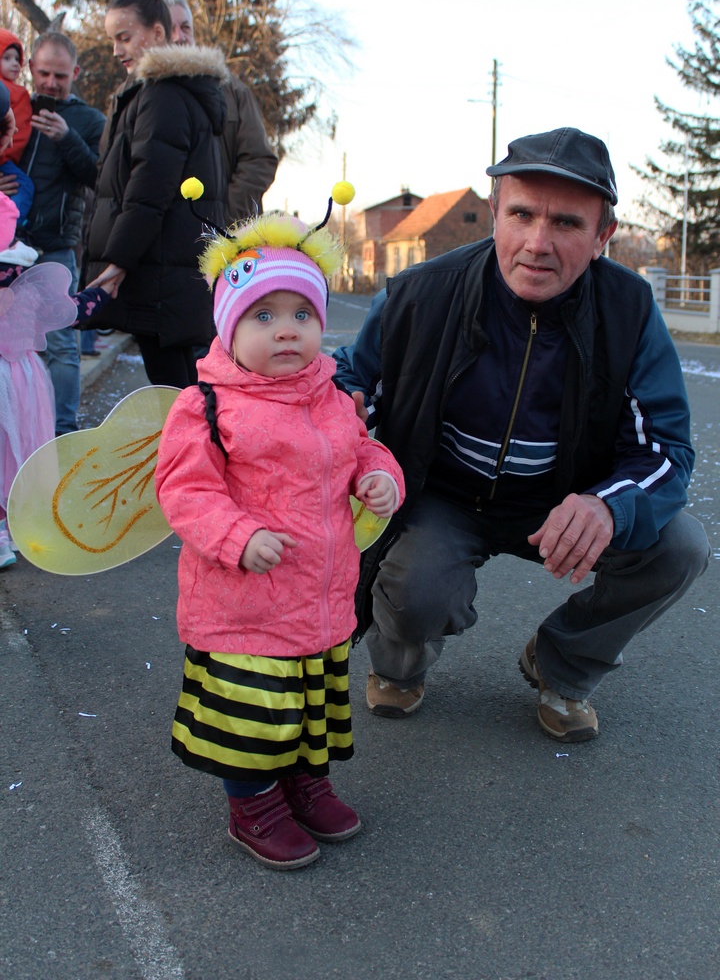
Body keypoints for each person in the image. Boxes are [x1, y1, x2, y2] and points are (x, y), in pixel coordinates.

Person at [333, 126, 710, 743]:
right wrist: (340, 405)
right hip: (445, 497)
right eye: (521, 214)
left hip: (562, 505)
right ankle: (400, 666)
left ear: (601, 237)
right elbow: (354, 375)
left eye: (565, 223)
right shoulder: (422, 293)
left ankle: (562, 663)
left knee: (680, 548)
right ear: (495, 215)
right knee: (417, 587)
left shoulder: (631, 311)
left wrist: (607, 505)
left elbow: (666, 450)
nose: (537, 243)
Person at [155, 202, 405, 869]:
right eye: (263, 316)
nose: (286, 331)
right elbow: (185, 491)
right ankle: (254, 802)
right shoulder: (205, 405)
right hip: (244, 601)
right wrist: (236, 536)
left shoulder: (328, 396)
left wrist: (382, 478)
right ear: (229, 329)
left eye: (302, 315)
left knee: (307, 700)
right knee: (253, 711)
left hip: (319, 598)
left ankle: (302, 780)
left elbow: (361, 452)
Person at [85, 0, 226, 388]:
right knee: (184, 388)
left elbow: (149, 189)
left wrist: (118, 261)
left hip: (161, 272)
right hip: (166, 268)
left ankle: (192, 454)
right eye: (113, 39)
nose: (116, 50)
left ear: (157, 32)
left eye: (125, 37)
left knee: (177, 394)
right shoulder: (163, 92)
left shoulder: (162, 95)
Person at [2, 32, 106, 435]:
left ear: (75, 73)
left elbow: (101, 178)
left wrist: (68, 138)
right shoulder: (16, 106)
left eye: (60, 76)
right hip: (11, 247)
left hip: (57, 246)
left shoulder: (89, 119)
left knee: (61, 345)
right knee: (12, 347)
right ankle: (21, 429)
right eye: (43, 73)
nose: (50, 82)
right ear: (31, 70)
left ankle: (63, 434)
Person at [0, 191, 109, 567]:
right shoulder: (28, 283)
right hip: (22, 381)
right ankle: (16, 523)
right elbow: (70, 311)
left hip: (15, 379)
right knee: (19, 450)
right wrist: (103, 291)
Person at [165, 0, 278, 223]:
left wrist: (225, 220)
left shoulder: (234, 91)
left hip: (227, 238)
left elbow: (259, 161)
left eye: (186, 27)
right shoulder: (143, 98)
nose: (180, 37)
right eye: (170, 28)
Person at [0, 28, 35, 220]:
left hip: (8, 156)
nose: (14, 63)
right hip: (4, 157)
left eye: (16, 58)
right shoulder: (8, 91)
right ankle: (12, 226)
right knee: (24, 186)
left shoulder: (17, 91)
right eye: (6, 58)